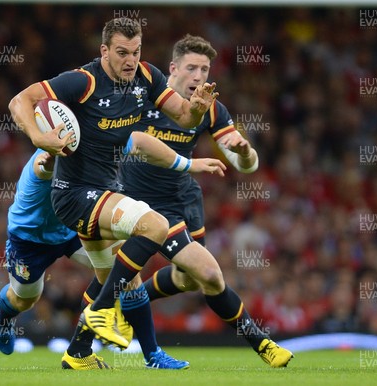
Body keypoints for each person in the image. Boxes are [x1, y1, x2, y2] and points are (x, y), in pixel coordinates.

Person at [9, 18, 224, 369]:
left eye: (136, 52)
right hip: (73, 194)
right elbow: (20, 101)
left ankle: (83, 355)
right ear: (104, 51)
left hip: (105, 192)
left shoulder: (147, 77)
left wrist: (198, 107)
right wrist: (38, 136)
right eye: (122, 53)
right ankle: (101, 311)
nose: (129, 60)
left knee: (128, 280)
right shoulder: (83, 81)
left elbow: (184, 117)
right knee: (153, 227)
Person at [116, 34, 293, 367]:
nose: (199, 77)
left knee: (192, 278)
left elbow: (245, 163)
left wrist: (244, 152)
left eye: (205, 69)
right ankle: (263, 345)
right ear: (173, 68)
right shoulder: (145, 97)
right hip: (130, 201)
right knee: (207, 275)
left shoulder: (210, 107)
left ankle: (128, 308)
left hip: (177, 201)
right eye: (192, 68)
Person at [0, 148, 119, 369]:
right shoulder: (46, 159)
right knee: (26, 299)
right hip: (30, 239)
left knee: (116, 266)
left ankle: (81, 348)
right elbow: (43, 166)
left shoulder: (88, 154)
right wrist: (51, 159)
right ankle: (2, 314)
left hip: (70, 228)